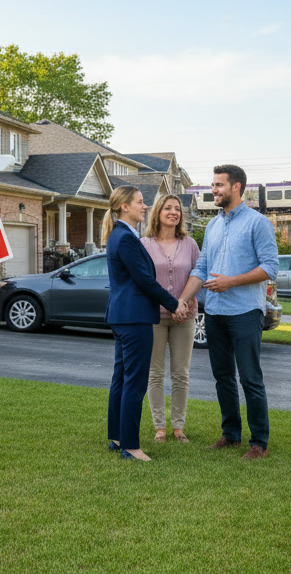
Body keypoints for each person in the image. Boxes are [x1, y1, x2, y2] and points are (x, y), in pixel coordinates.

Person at [178, 164, 279, 460]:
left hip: (246, 311)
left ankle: (259, 442)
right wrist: (183, 300)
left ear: (236, 187)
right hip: (216, 312)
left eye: (219, 185)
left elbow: (270, 268)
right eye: (213, 185)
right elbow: (201, 268)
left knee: (250, 378)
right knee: (222, 377)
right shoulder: (213, 225)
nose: (213, 190)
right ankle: (231, 435)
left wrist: (230, 281)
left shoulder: (257, 223)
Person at [103, 186, 189, 461]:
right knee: (134, 382)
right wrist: (174, 303)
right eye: (140, 202)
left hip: (124, 316)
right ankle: (130, 445)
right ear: (124, 206)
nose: (145, 206)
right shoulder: (125, 238)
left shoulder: (122, 235)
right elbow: (144, 280)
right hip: (134, 317)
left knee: (121, 378)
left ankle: (116, 437)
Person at [140, 194, 200, 443]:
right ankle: (159, 428)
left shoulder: (190, 244)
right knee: (154, 374)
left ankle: (178, 427)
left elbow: (199, 275)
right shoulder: (144, 244)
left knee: (180, 373)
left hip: (184, 318)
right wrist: (169, 304)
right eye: (168, 208)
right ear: (158, 212)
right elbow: (143, 280)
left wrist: (182, 305)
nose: (174, 212)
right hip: (153, 316)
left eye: (177, 209)